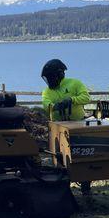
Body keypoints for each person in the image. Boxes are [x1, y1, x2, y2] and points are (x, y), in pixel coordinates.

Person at [41, 59, 91, 195]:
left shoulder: (75, 83)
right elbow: (46, 104)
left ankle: (85, 185)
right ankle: (63, 188)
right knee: (59, 158)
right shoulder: (47, 91)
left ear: (59, 74)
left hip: (78, 125)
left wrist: (72, 100)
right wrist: (55, 106)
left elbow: (86, 97)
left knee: (82, 155)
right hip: (59, 128)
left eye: (51, 77)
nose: (49, 80)